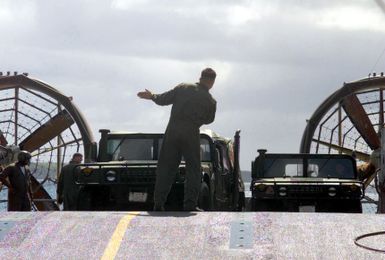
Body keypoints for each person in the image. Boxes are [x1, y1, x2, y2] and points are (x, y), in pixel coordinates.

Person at [138, 68, 217, 211]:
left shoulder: (183, 87)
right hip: (191, 133)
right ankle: (190, 205)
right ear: (212, 82)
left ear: (200, 77)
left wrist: (152, 96)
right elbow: (209, 120)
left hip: (172, 131)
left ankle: (158, 203)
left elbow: (164, 99)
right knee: (193, 169)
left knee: (166, 168)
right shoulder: (211, 101)